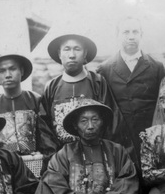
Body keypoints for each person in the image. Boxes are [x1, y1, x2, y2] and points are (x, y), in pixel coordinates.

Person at [41, 32, 136, 160]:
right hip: (63, 158)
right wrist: (55, 157)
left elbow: (111, 122)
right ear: (59, 54)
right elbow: (45, 128)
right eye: (67, 49)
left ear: (85, 53)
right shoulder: (51, 87)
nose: (72, 55)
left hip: (97, 154)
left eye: (77, 49)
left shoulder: (97, 82)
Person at [97, 16, 165, 154]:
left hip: (150, 137)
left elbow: (164, 105)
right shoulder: (104, 69)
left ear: (141, 35)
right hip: (118, 140)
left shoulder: (157, 67)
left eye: (135, 32)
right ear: (117, 35)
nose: (131, 37)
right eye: (126, 32)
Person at [0, 53, 58, 160]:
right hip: (3, 164)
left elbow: (47, 139)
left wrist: (44, 157)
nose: (8, 75)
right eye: (2, 71)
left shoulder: (36, 100)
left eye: (12, 69)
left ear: (22, 71)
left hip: (34, 163)